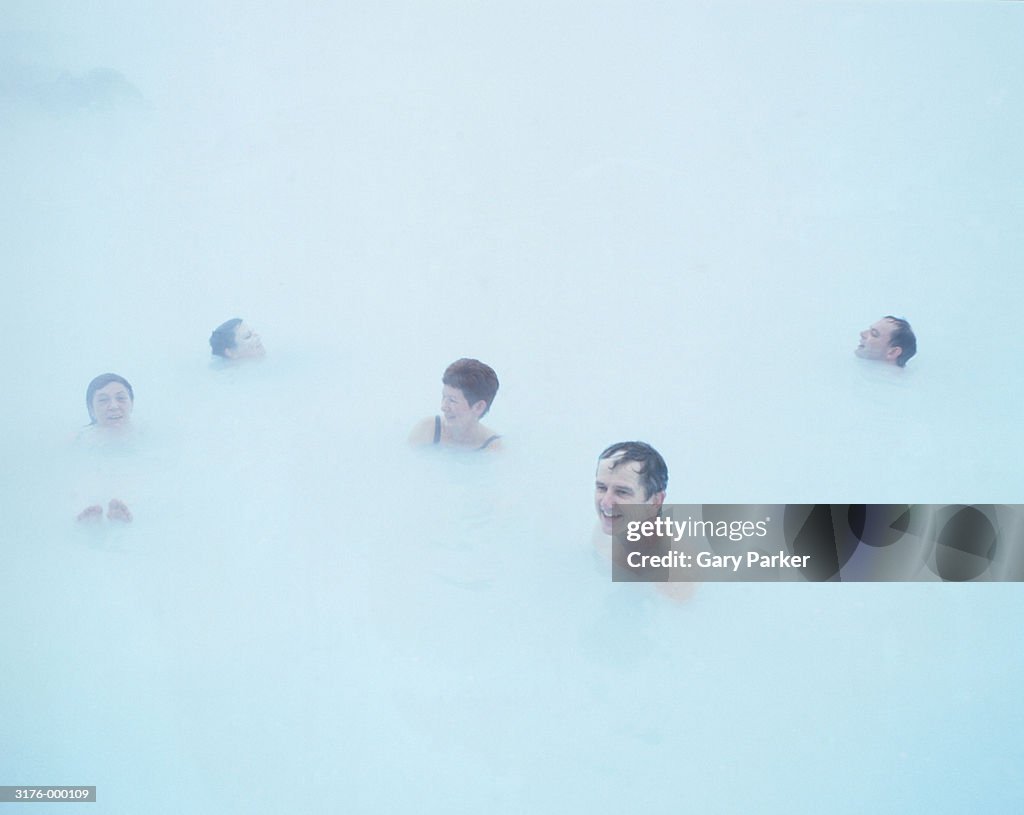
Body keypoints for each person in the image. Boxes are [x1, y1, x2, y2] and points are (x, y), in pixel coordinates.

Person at [593, 441, 694, 600]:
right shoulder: (607, 528)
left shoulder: (674, 576)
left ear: (655, 501)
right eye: (601, 488)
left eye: (622, 492)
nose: (606, 502)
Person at [76, 373, 135, 522]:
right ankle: (91, 518)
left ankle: (118, 516)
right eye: (103, 400)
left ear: (131, 403)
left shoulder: (146, 435)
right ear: (91, 409)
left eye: (121, 398)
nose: (114, 406)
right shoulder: (79, 440)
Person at [408, 358, 502, 451]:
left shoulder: (493, 448)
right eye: (444, 397)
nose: (443, 407)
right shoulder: (427, 431)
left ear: (478, 407)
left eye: (452, 400)